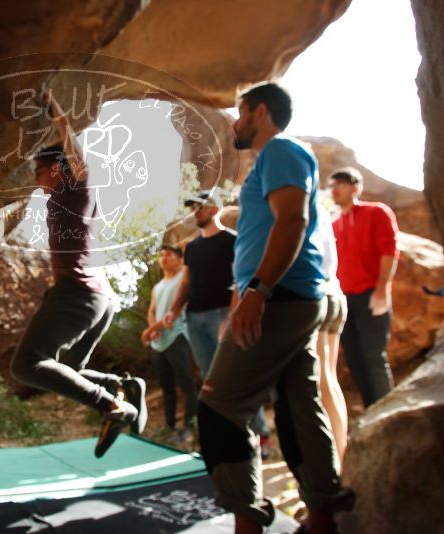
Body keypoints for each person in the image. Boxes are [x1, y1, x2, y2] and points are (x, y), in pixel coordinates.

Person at [196, 83, 353, 534]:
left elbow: (293, 219)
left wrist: (258, 291)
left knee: (220, 405)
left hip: (279, 298)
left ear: (260, 112)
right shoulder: (274, 159)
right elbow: (267, 228)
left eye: (241, 112)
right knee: (299, 408)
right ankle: (322, 516)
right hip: (287, 298)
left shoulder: (282, 150)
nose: (235, 122)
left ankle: (248, 521)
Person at [10, 91, 147, 459]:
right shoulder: (64, 200)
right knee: (70, 368)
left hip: (79, 294)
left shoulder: (75, 190)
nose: (36, 178)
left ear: (57, 169)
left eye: (39, 170)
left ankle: (113, 405)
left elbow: (77, 159)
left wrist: (58, 115)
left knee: (27, 364)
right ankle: (122, 386)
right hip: (98, 299)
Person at [163, 191, 271, 456]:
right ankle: (229, 437)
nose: (194, 212)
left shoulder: (233, 241)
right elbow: (186, 283)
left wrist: (231, 319)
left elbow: (241, 280)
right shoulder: (192, 248)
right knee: (211, 380)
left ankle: (261, 436)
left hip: (223, 316)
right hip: (194, 319)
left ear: (214, 209)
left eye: (199, 207)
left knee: (237, 375)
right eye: (192, 207)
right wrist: (174, 311)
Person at [329, 167, 399, 407]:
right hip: (344, 300)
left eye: (341, 184)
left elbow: (389, 251)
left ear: (355, 187)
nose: (335, 190)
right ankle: (372, 411)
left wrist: (381, 289)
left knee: (373, 355)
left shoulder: (376, 212)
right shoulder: (333, 224)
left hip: (371, 294)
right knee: (354, 358)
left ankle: (387, 413)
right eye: (332, 185)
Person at [141, 245, 198, 444]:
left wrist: (149, 331)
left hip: (177, 337)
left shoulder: (183, 278)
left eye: (169, 254)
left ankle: (189, 427)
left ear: (180, 259)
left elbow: (174, 312)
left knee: (186, 383)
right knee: (167, 387)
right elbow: (152, 311)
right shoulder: (157, 287)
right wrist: (153, 329)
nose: (164, 258)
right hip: (159, 343)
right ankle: (170, 426)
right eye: (162, 255)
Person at [316, 202, 349, 461]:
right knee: (329, 379)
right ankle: (343, 450)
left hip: (320, 297)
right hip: (336, 294)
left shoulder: (300, 205)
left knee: (320, 383)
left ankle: (336, 459)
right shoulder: (323, 211)